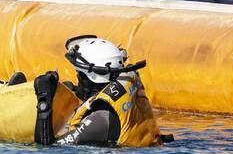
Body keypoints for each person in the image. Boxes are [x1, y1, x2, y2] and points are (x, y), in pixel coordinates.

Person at [34, 35, 163, 147]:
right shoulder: (123, 86)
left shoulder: (101, 119)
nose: (78, 79)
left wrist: (44, 101)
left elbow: (48, 148)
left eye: (79, 75)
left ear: (90, 76)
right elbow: (94, 94)